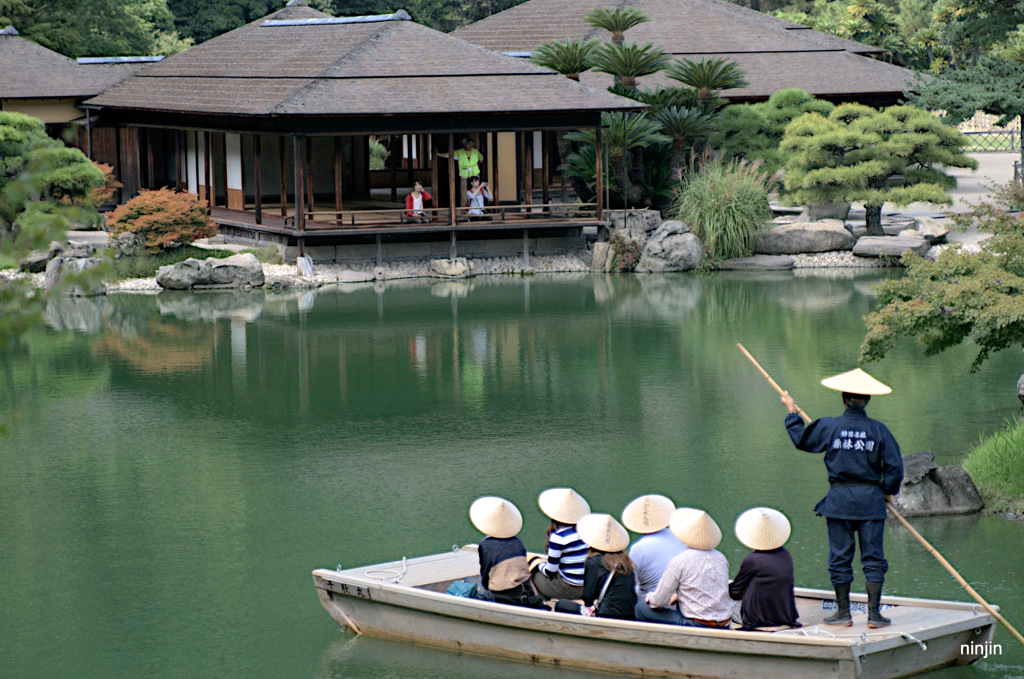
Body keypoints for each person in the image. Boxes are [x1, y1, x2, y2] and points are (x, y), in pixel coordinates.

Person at [781, 368, 904, 628]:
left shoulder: (830, 426)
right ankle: (874, 615)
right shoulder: (879, 430)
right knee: (873, 558)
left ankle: (843, 614)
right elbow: (895, 467)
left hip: (839, 501)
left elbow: (802, 440)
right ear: (867, 400)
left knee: (840, 557)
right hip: (870, 501)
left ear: (843, 400)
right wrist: (886, 490)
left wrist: (792, 412)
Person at [635, 508, 732, 629]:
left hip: (697, 624)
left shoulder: (680, 561)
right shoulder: (721, 558)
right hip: (724, 623)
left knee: (640, 608)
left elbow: (659, 600)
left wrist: (649, 598)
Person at [729, 507, 801, 631]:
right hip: (785, 616)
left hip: (758, 620)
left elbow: (734, 592)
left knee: (726, 601)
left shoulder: (752, 559)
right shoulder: (785, 554)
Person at [554, 513, 637, 620]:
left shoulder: (593, 561)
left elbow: (588, 597)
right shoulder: (625, 561)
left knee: (561, 604)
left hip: (606, 615)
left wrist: (591, 605)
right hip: (630, 615)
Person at [468, 496, 545, 608]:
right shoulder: (518, 542)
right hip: (524, 592)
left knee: (469, 582)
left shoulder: (486, 545)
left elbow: (486, 577)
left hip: (501, 595)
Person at [531, 488, 591, 600]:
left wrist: (537, 564)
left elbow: (550, 572)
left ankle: (543, 603)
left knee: (533, 573)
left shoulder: (559, 537)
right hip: (588, 587)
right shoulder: (587, 532)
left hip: (569, 588)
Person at [622, 494, 686, 597]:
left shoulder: (639, 548)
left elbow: (629, 582)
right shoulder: (680, 535)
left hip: (655, 601)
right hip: (683, 597)